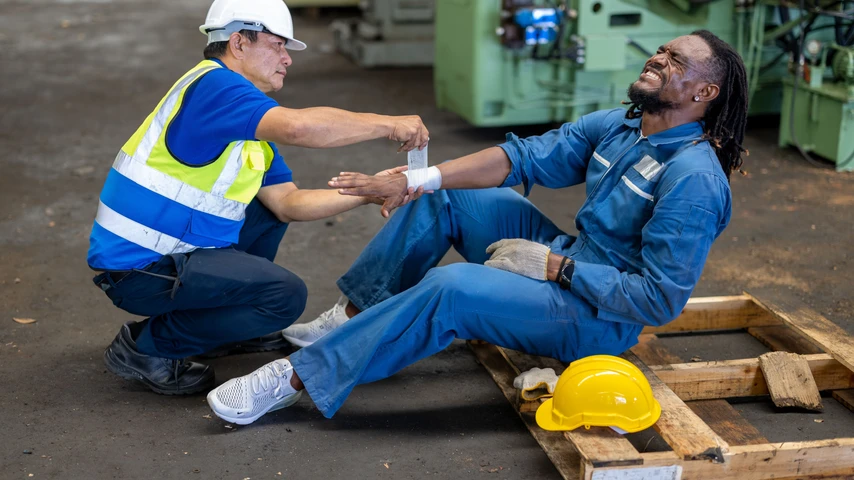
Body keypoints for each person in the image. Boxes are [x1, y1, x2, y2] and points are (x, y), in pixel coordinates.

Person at [207, 30, 748, 424]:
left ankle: (295, 378)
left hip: (599, 318)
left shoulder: (693, 179)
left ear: (705, 95)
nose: (659, 57)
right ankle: (351, 317)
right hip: (573, 258)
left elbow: (658, 300)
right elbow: (526, 158)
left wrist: (555, 266)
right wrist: (421, 180)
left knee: (453, 289)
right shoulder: (626, 126)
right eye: (662, 49)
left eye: (677, 61)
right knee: (448, 197)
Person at [88, 0, 430, 396]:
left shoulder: (241, 118)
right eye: (277, 45)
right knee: (283, 297)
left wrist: (368, 192)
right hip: (140, 270)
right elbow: (300, 128)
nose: (287, 59)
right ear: (238, 42)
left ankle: (223, 322)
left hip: (165, 255)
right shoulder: (215, 87)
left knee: (268, 213)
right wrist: (389, 124)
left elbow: (289, 202)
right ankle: (149, 347)